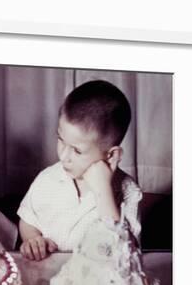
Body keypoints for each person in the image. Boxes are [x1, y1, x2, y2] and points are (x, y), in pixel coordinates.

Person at [17, 79, 142, 261]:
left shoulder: (129, 192)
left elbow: (126, 256)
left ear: (111, 156)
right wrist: (33, 239)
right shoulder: (48, 178)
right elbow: (28, 220)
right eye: (60, 139)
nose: (63, 156)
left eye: (77, 150)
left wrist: (103, 191)